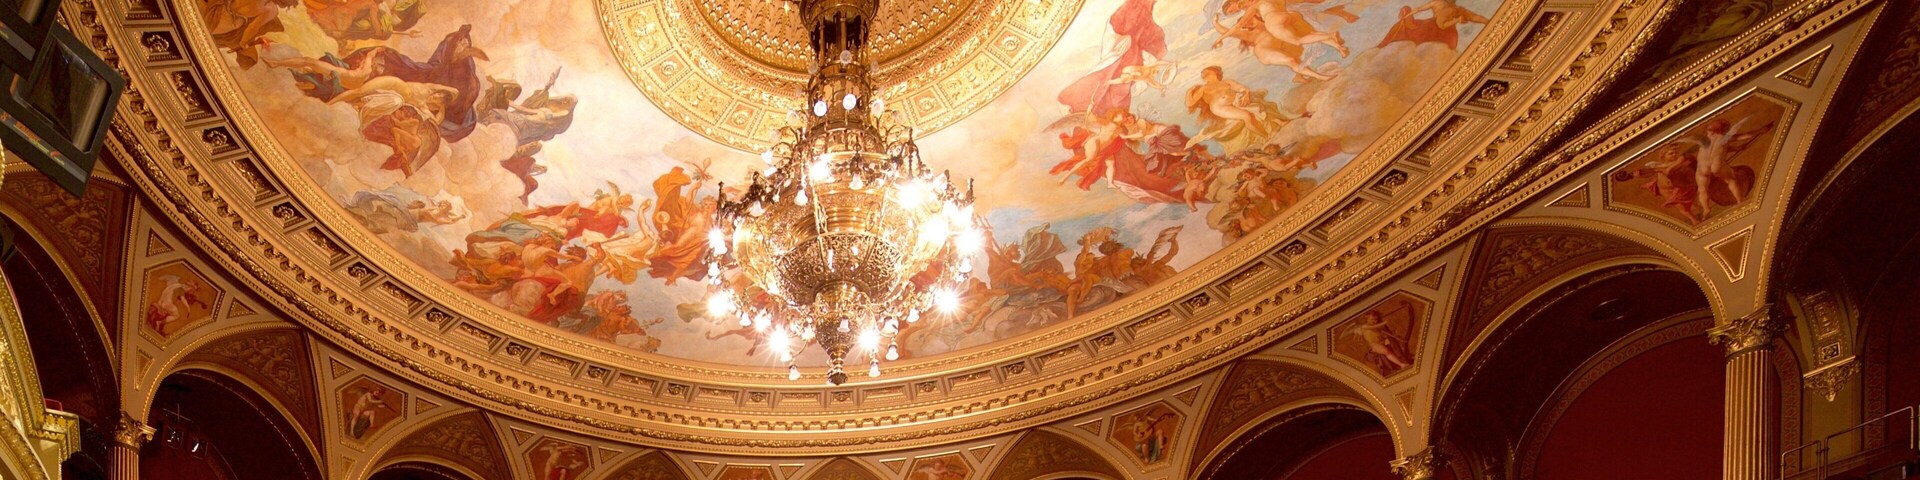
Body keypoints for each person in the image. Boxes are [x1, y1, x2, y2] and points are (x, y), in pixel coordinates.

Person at [1185, 66, 1297, 154]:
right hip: (1220, 107)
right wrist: (1189, 92)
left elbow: (1242, 88)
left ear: (1215, 72)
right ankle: (1266, 136)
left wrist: (1246, 94)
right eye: (1203, 74)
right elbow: (1189, 103)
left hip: (1236, 101)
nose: (1204, 75)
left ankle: (1279, 122)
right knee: (1246, 116)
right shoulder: (1203, 88)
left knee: (1257, 106)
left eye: (1206, 73)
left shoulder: (1227, 82)